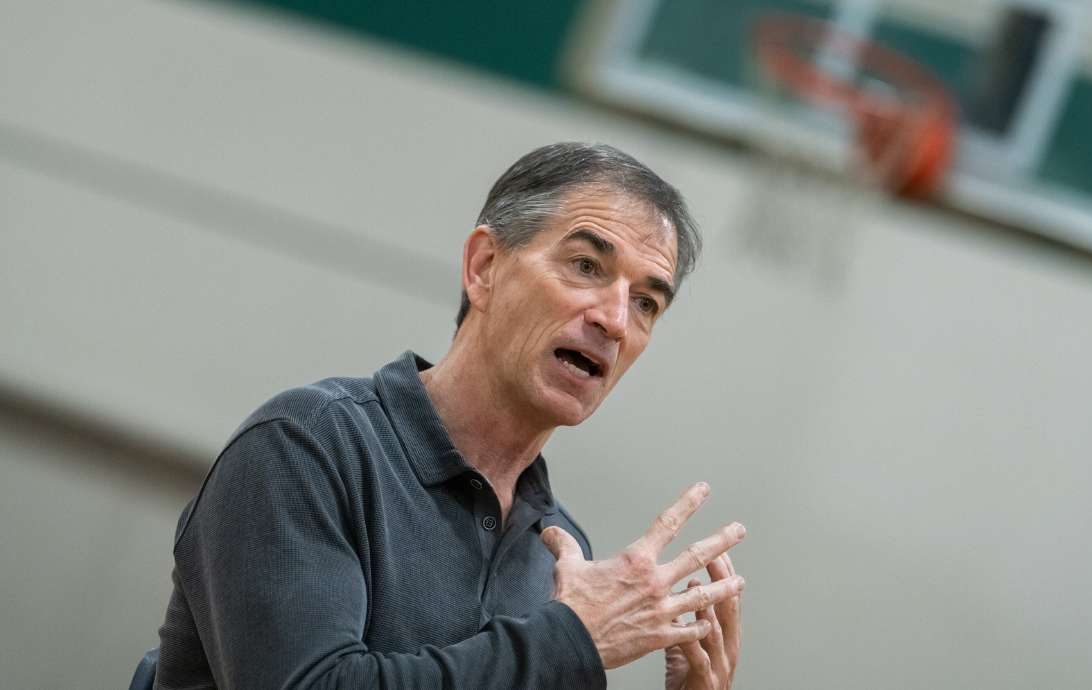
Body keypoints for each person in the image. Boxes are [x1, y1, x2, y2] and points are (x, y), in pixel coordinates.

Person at [152, 142, 745, 689]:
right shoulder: (307, 447)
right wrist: (571, 639)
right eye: (587, 266)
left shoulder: (560, 553)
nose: (615, 321)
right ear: (484, 267)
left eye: (645, 303)